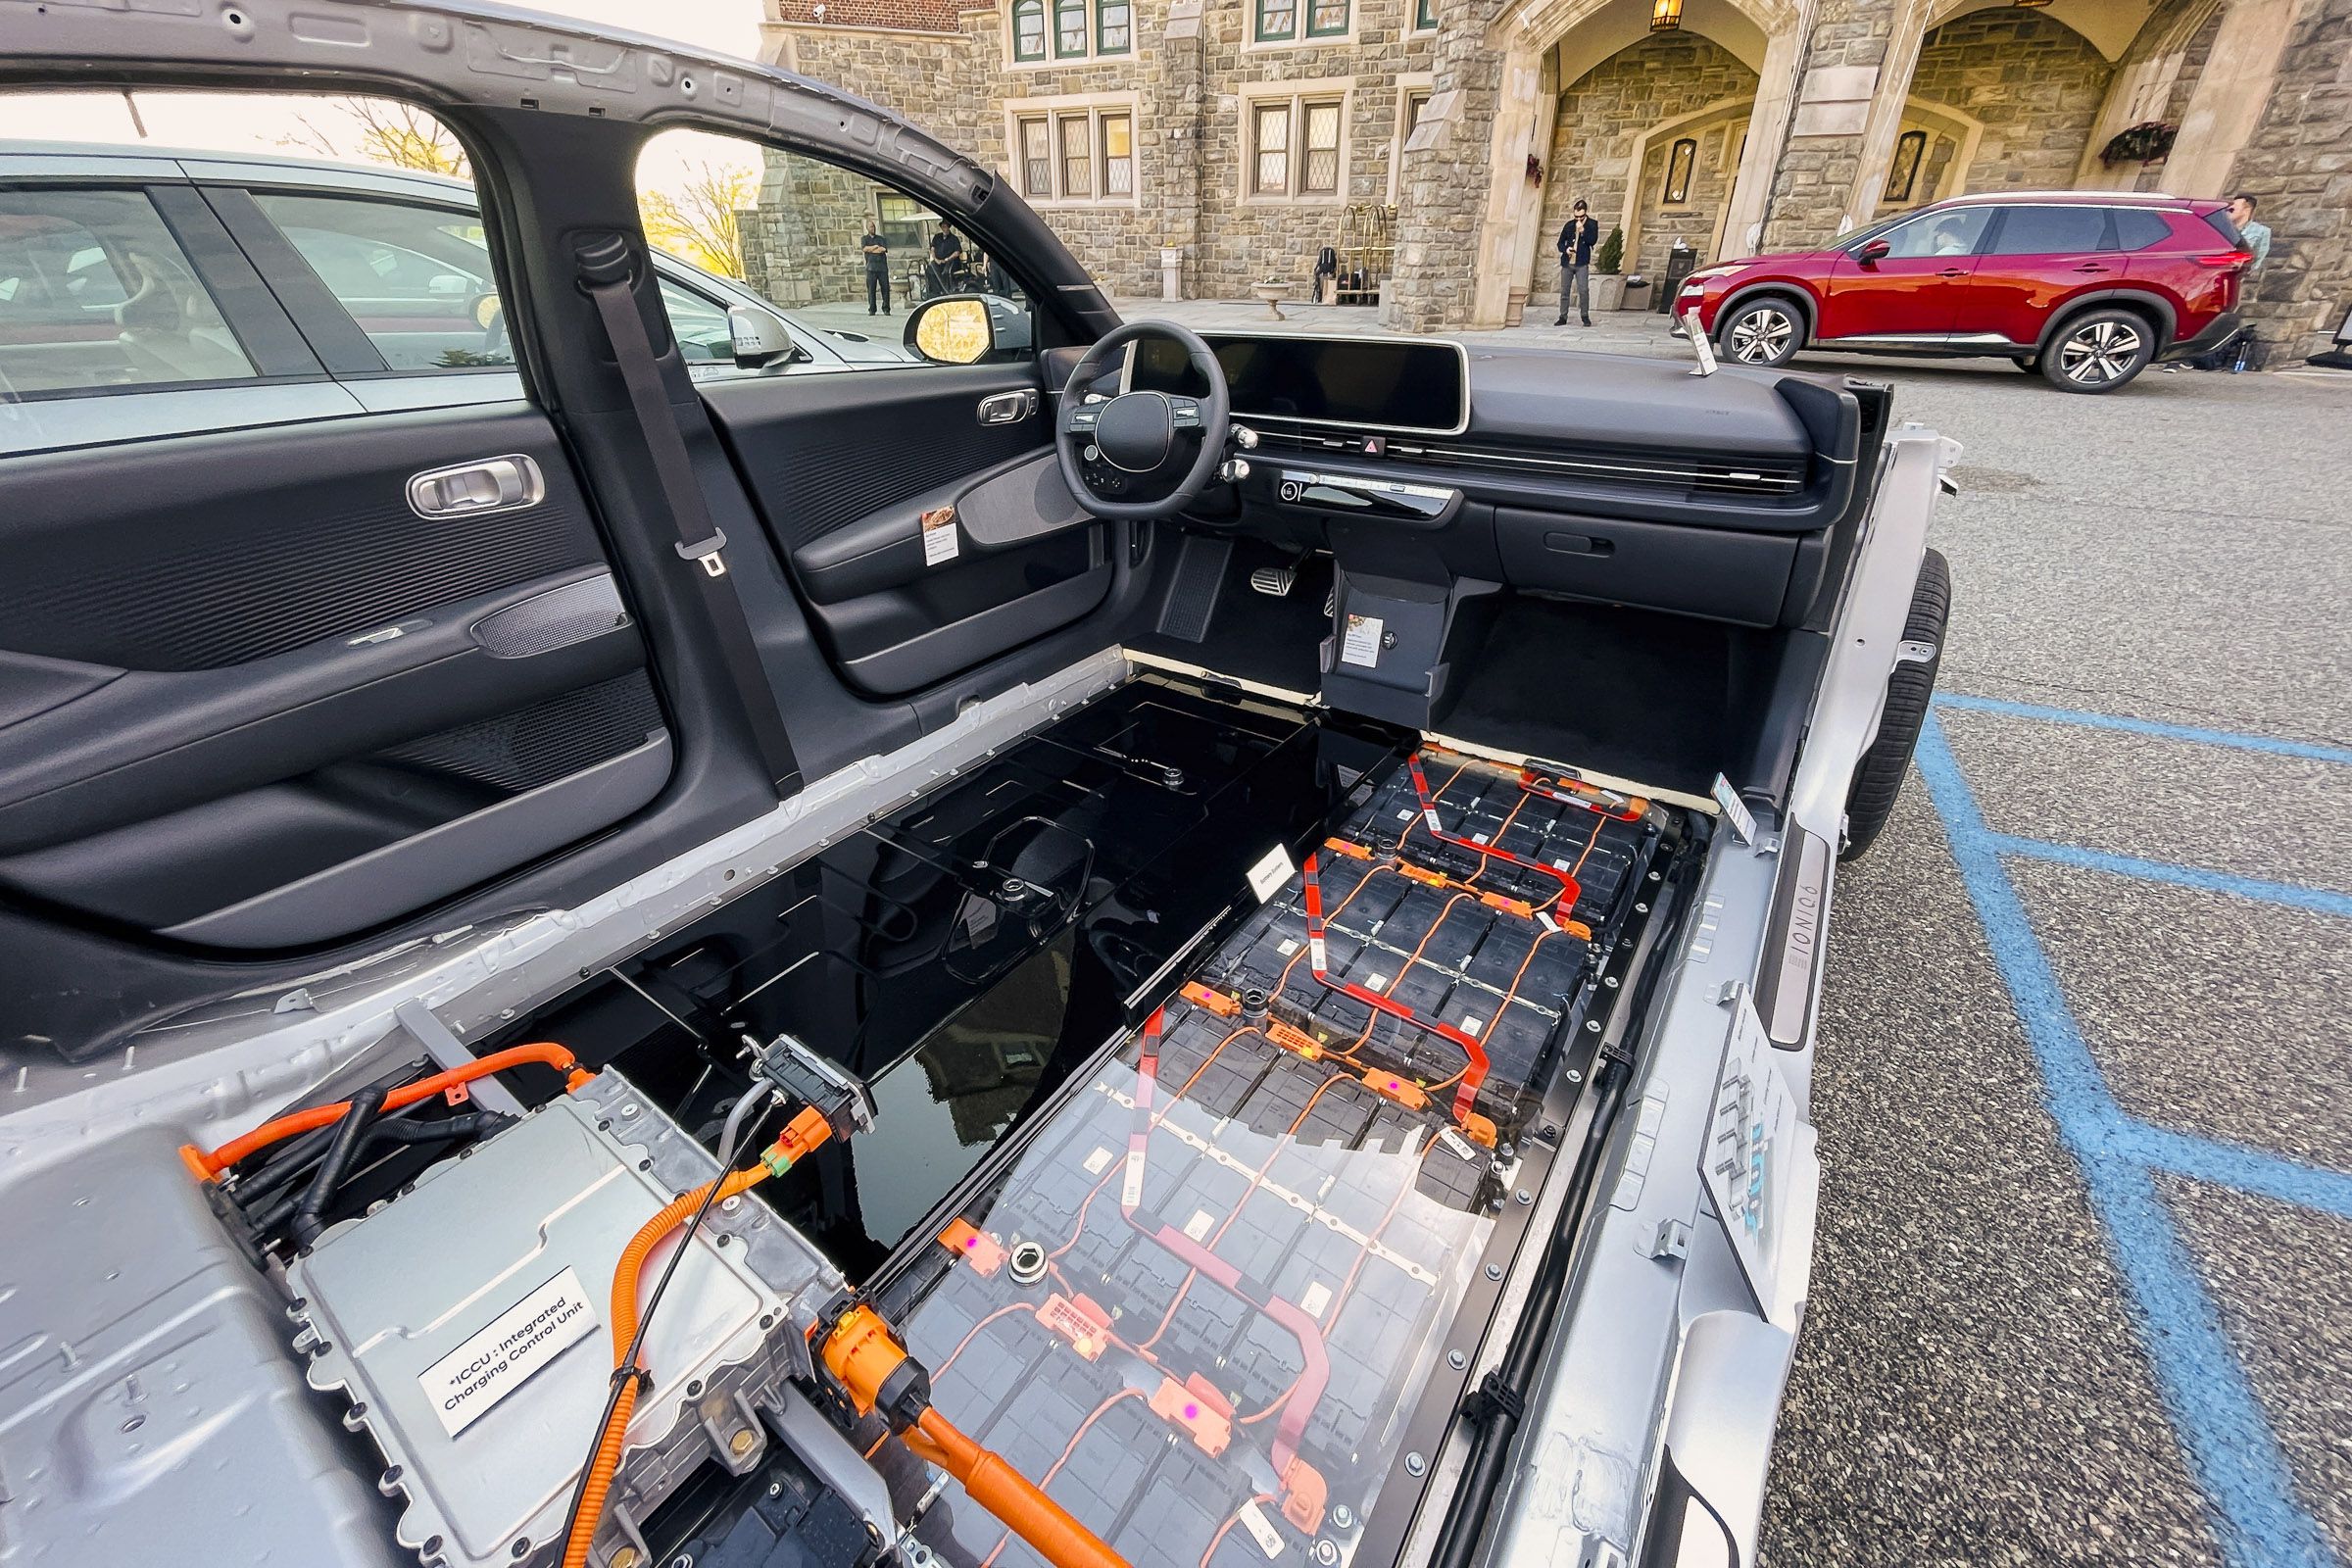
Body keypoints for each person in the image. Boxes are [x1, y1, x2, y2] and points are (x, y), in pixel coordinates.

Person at [2171, 193, 2273, 372]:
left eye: (2234, 207)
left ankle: (2205, 357)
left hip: (2233, 278)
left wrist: (2243, 272)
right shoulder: (2222, 227)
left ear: (2247, 209)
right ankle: (2180, 356)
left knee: (2222, 317)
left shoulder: (2260, 232)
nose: (2229, 210)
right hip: (2210, 277)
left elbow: (2258, 257)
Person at [1554, 199, 1600, 326]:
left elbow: (1593, 241)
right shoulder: (1569, 225)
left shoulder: (1592, 224)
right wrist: (1566, 249)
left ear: (1585, 213)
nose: (1578, 219)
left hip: (1581, 262)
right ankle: (1563, 316)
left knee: (1583, 290)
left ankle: (1585, 316)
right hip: (1568, 262)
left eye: (1581, 216)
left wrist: (1583, 231)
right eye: (1576, 217)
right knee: (1564, 290)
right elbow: (1560, 243)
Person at [859, 224, 891, 316]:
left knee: (885, 288)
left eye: (873, 227)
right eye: (870, 227)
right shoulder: (864, 239)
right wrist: (875, 247)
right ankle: (872, 309)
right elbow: (865, 249)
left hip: (882, 268)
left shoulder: (881, 239)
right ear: (867, 228)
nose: (873, 228)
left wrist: (872, 249)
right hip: (871, 268)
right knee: (871, 289)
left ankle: (886, 308)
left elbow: (883, 249)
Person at [927, 223, 965, 297]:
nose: (944, 229)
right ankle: (936, 292)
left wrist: (947, 259)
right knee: (930, 270)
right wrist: (936, 259)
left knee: (946, 272)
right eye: (943, 227)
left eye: (946, 227)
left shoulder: (954, 239)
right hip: (938, 261)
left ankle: (947, 291)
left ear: (948, 227)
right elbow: (932, 249)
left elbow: (957, 252)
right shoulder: (937, 237)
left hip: (951, 261)